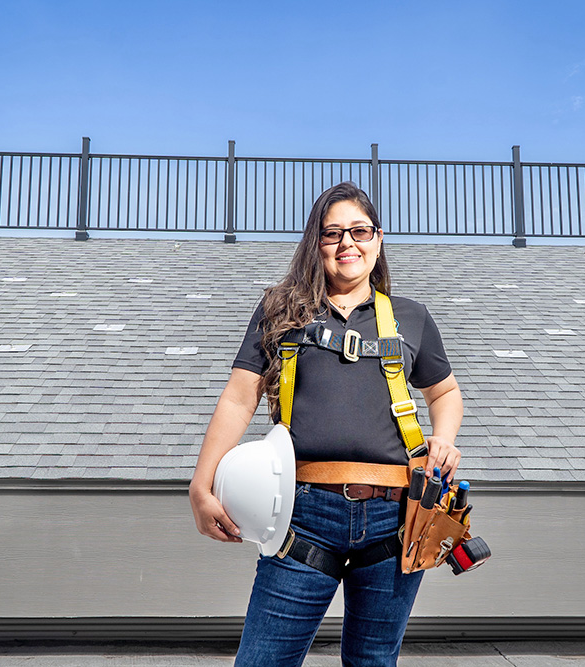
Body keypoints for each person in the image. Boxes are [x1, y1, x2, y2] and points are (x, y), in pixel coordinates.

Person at [189, 181, 463, 666]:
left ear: (378, 239)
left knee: (373, 663)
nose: (346, 243)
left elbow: (444, 392)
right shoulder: (281, 310)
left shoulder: (411, 318)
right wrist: (201, 484)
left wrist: (444, 438)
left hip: (395, 520)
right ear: (316, 243)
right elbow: (238, 397)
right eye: (332, 233)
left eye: (359, 231)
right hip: (301, 515)